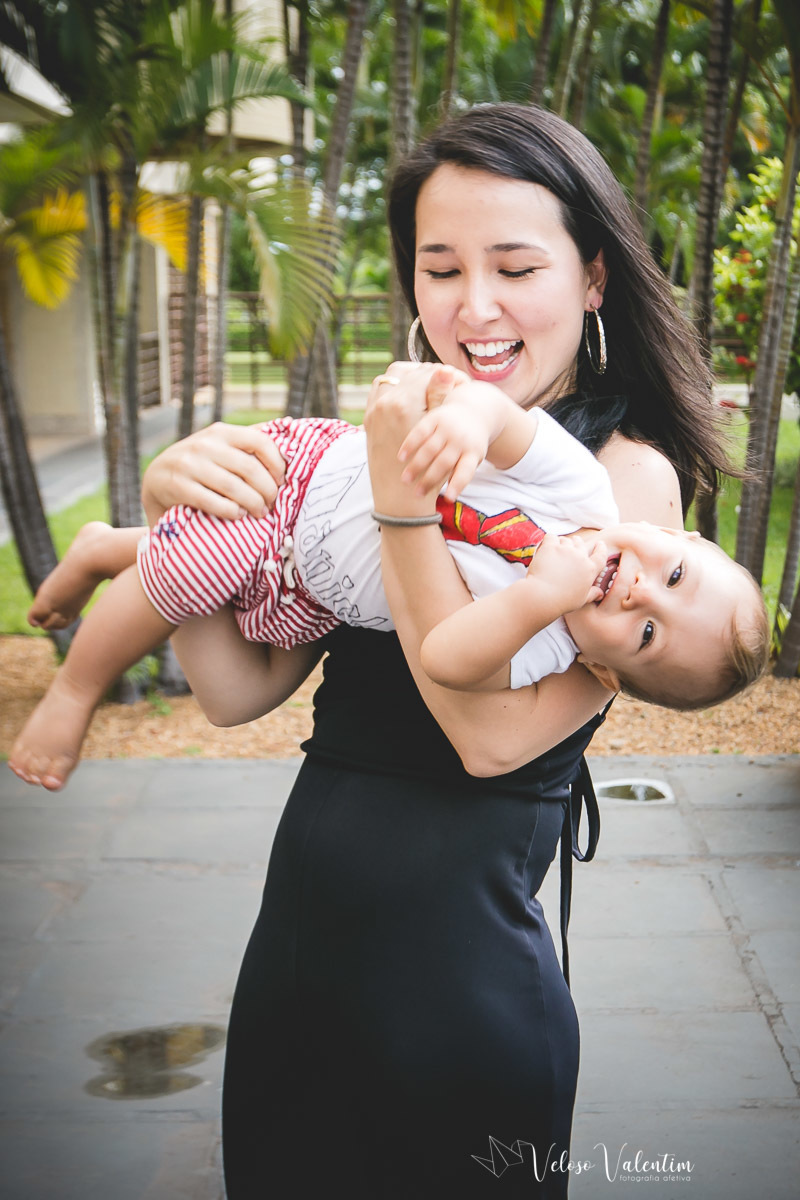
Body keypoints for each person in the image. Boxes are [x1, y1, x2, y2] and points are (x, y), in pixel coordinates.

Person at [120, 105, 738, 1196]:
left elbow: (485, 739)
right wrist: (187, 523)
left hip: (452, 996)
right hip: (299, 955)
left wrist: (401, 506)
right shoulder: (393, 449)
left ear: (592, 277)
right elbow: (238, 692)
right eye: (438, 266)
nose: (473, 306)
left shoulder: (618, 488)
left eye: (514, 265)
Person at [9, 377, 766, 793]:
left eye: (647, 633)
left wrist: (538, 598)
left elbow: (447, 657)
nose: (642, 594)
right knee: (193, 570)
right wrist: (470, 420)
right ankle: (76, 691)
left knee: (221, 607)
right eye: (672, 574)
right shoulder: (583, 490)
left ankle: (111, 548)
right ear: (679, 536)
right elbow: (501, 416)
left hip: (311, 588)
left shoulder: (544, 649)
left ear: (604, 672)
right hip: (304, 490)